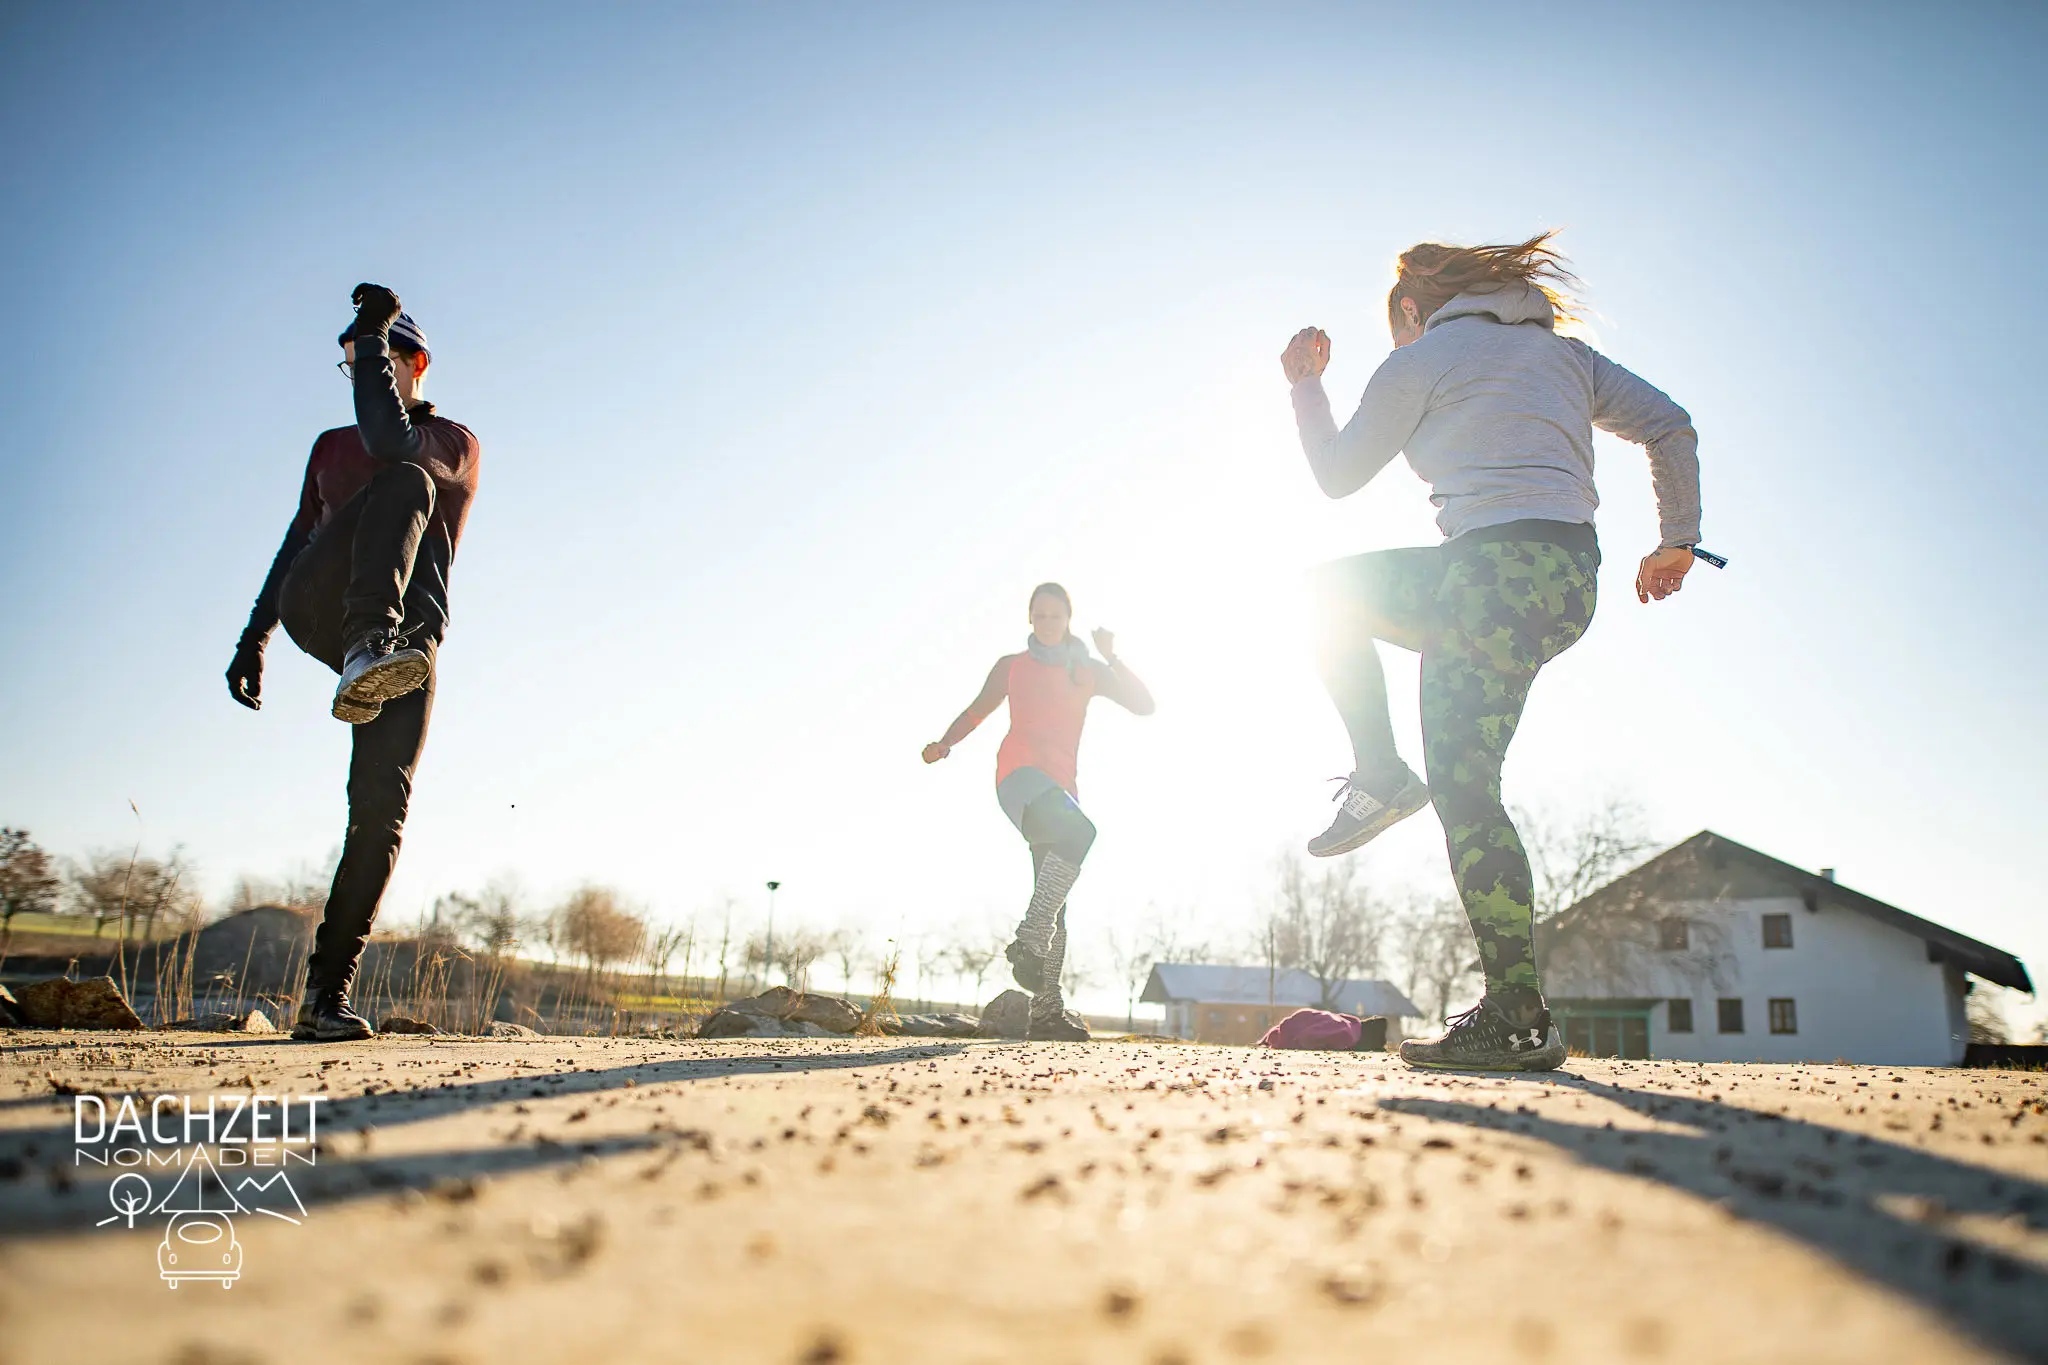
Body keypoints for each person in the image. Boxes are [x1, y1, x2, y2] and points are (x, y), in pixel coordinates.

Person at [1280, 234, 1701, 1071]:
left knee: (1323, 594)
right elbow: (1670, 426)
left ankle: (1381, 776)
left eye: (1396, 326)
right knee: (1471, 790)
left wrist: (1306, 387)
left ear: (1410, 310)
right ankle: (1516, 1014)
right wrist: (1678, 540)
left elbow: (1335, 473)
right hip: (1567, 581)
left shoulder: (1424, 356)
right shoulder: (1568, 357)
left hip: (1485, 576)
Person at [226, 284, 482, 1041]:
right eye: (351, 364)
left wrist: (373, 340)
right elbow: (296, 540)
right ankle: (364, 646)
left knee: (380, 812)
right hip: (326, 610)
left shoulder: (455, 443)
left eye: (374, 360)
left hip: (407, 651)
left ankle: (323, 998)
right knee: (397, 483)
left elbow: (395, 441)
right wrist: (255, 637)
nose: (362, 372)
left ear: (415, 362)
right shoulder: (328, 448)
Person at [922, 584, 1155, 1040]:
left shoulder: (1087, 670)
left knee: (1056, 904)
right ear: (1030, 619)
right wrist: (946, 742)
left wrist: (1113, 657)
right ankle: (1029, 938)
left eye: (1056, 615)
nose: (1048, 622)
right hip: (1019, 778)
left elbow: (1145, 705)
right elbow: (976, 712)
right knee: (1081, 836)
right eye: (1040, 615)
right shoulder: (1012, 667)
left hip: (1062, 788)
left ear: (1068, 618)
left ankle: (1046, 1012)